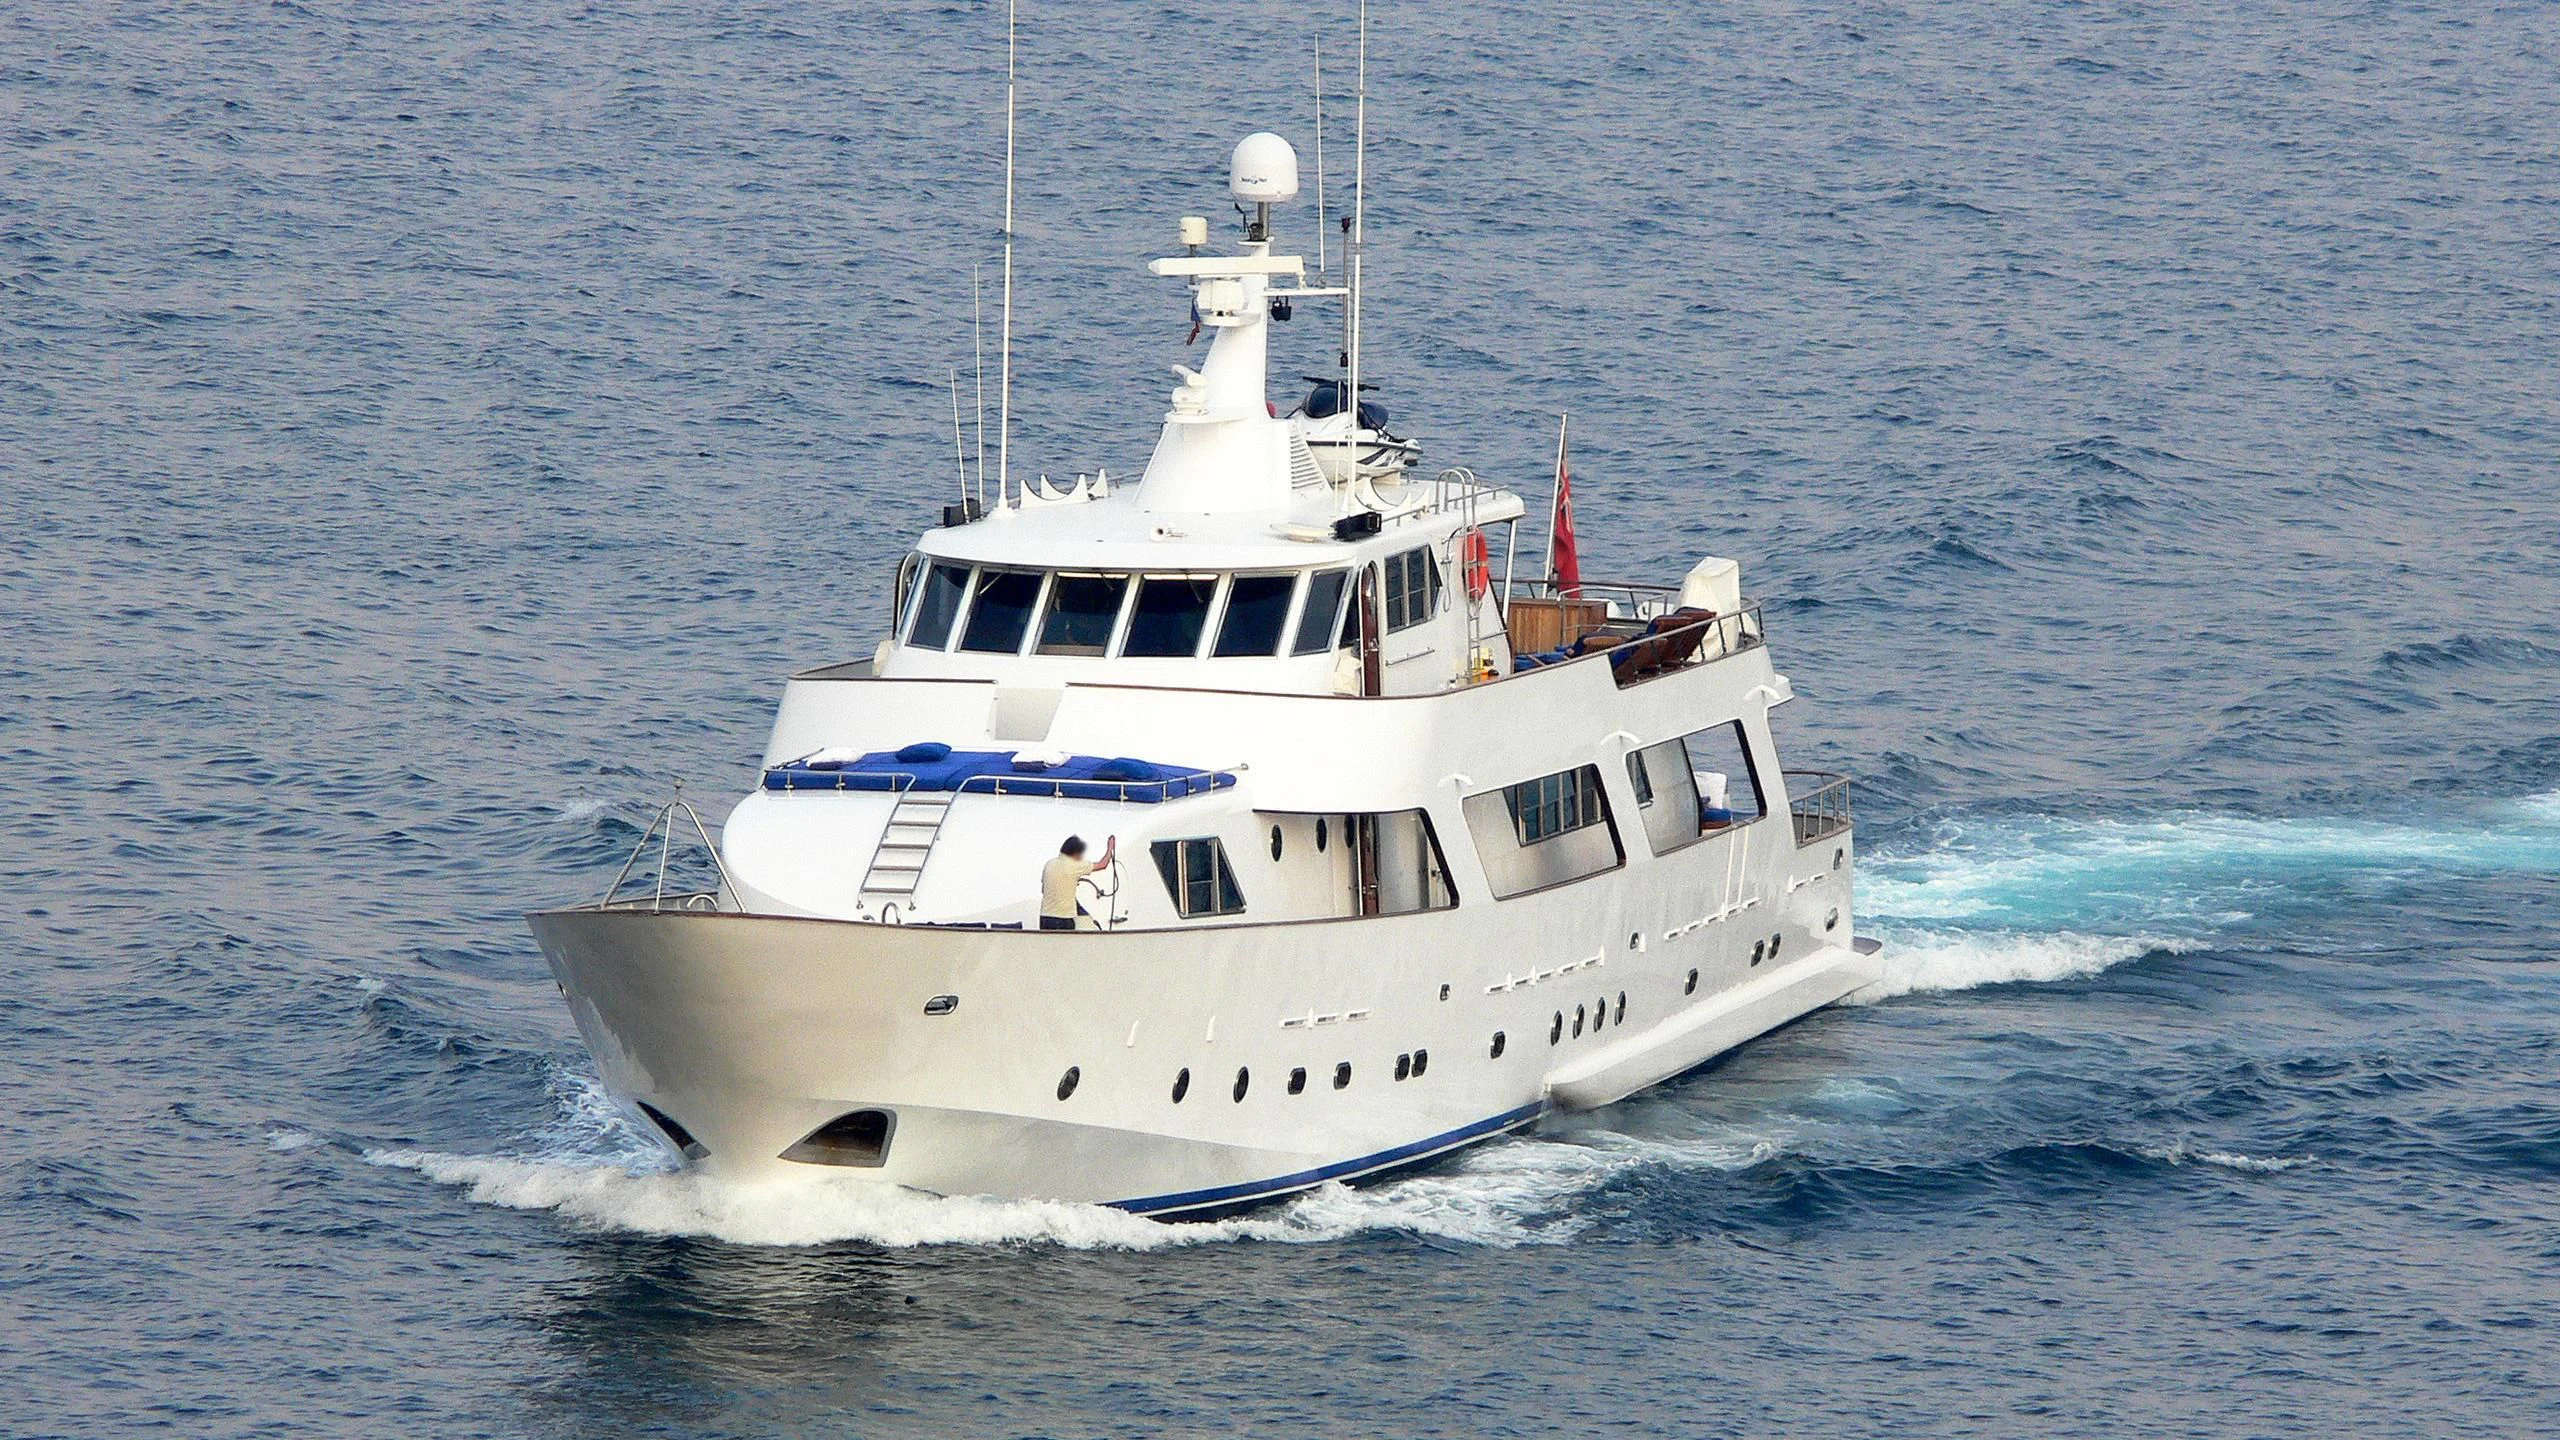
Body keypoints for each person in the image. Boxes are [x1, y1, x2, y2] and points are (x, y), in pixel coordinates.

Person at [1039, 834, 1114, 930]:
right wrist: (1110, 848)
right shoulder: (1074, 865)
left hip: (1045, 917)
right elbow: (1102, 864)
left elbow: (1045, 890)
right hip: (1064, 918)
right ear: (1074, 853)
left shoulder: (1049, 864)